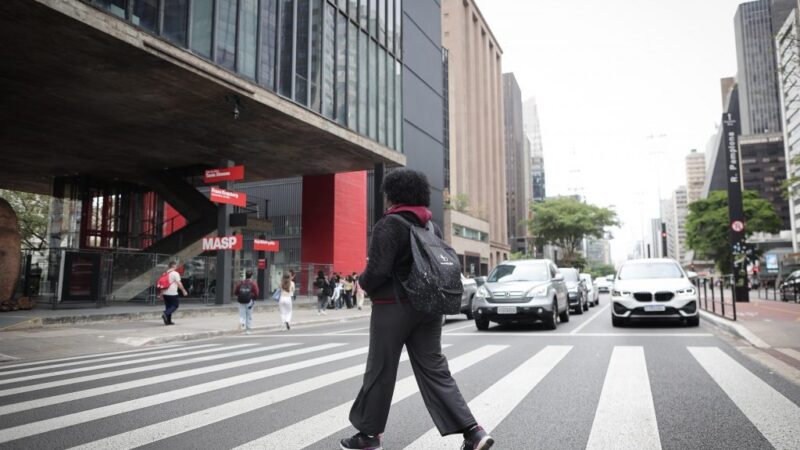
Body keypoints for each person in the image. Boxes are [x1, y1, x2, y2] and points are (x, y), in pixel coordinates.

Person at [340, 169, 493, 450]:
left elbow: (378, 271)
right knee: (435, 369)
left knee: (381, 369)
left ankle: (369, 437)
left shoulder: (389, 224)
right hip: (430, 308)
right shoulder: (429, 226)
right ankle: (473, 431)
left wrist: (362, 281)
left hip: (393, 308)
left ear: (394, 194)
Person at [161, 261, 187, 326]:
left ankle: (168, 321)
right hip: (172, 293)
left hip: (165, 293)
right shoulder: (175, 273)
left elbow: (162, 283)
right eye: (176, 266)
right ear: (174, 266)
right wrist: (183, 290)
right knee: (175, 305)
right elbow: (179, 283)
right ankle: (165, 314)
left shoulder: (165, 273)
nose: (176, 267)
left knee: (168, 307)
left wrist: (161, 294)